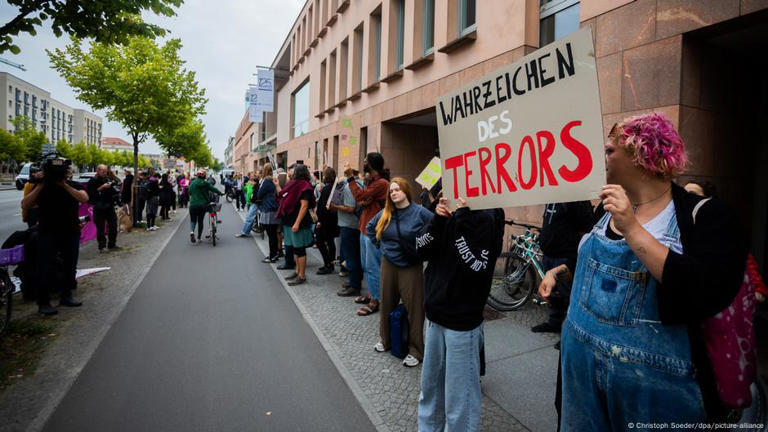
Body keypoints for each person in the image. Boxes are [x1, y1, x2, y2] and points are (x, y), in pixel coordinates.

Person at [539, 113, 747, 429]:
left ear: (641, 155)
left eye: (610, 150)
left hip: (654, 394)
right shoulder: (604, 210)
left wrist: (632, 229)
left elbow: (704, 292)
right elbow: (601, 267)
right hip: (581, 382)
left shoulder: (705, 216)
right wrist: (561, 273)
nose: (602, 158)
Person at [416, 197, 505, 432]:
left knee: (460, 400)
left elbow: (477, 269)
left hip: (462, 323)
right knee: (431, 391)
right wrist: (437, 220)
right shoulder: (444, 207)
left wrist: (462, 222)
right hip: (435, 315)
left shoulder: (488, 214)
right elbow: (419, 249)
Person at [367, 177, 434, 367]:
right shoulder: (386, 212)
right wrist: (382, 246)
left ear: (406, 191)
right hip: (388, 263)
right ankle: (386, 340)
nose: (393, 193)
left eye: (397, 190)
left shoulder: (419, 212)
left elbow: (437, 227)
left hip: (410, 266)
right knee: (386, 303)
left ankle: (416, 350)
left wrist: (426, 250)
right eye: (391, 191)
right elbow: (370, 228)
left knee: (414, 308)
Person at [22, 160, 88, 315]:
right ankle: (43, 302)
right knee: (44, 267)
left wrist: (64, 184)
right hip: (47, 232)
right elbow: (25, 204)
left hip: (70, 231)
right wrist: (40, 185)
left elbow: (83, 198)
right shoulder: (43, 187)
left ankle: (66, 295)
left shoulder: (73, 185)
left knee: (69, 266)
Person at [531, 200, 593, 346]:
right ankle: (554, 323)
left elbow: (585, 228)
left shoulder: (576, 199)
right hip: (549, 253)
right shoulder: (553, 195)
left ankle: (567, 334)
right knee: (552, 294)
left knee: (567, 296)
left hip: (565, 255)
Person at [346, 153, 390, 316]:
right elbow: (362, 200)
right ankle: (372, 293)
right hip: (365, 227)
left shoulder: (382, 183)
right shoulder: (374, 182)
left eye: (365, 161)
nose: (363, 162)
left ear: (371, 164)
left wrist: (351, 178)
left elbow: (359, 196)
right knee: (367, 265)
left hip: (373, 230)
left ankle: (376, 300)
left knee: (372, 266)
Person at [276, 164, 315, 286]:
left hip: (298, 222)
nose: (291, 172)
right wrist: (277, 185)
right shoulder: (295, 183)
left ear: (298, 172)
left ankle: (302, 275)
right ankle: (297, 271)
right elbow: (282, 194)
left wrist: (297, 223)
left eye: (293, 170)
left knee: (299, 249)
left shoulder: (305, 186)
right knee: (294, 249)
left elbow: (304, 206)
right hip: (289, 220)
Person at [332, 167, 365, 297]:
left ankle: (355, 286)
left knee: (351, 257)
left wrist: (335, 206)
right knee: (355, 256)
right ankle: (354, 281)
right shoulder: (360, 183)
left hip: (349, 225)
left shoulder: (349, 187)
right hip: (355, 225)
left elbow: (351, 208)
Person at [87, 164, 120, 251]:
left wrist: (113, 186)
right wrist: (101, 188)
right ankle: (102, 246)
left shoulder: (107, 179)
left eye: (106, 171)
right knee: (101, 228)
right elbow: (90, 195)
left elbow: (114, 188)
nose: (105, 173)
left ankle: (112, 244)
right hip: (99, 207)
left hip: (109, 206)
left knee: (113, 226)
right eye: (103, 171)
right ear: (98, 171)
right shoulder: (92, 181)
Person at [315, 167, 339, 275]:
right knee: (330, 241)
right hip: (333, 219)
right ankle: (331, 263)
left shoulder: (327, 189)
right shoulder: (335, 187)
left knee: (320, 241)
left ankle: (328, 263)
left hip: (325, 220)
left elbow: (322, 207)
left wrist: (319, 220)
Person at [188, 170, 223, 243]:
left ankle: (192, 233)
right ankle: (199, 238)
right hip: (203, 205)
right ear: (204, 176)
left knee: (193, 220)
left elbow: (189, 192)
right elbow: (214, 189)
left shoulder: (192, 183)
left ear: (197, 176)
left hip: (193, 205)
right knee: (200, 221)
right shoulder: (206, 183)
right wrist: (221, 193)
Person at [256, 164, 280, 262]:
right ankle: (275, 254)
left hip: (268, 209)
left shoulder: (266, 181)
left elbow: (259, 195)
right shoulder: (275, 180)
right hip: (275, 208)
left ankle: (272, 256)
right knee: (274, 234)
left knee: (271, 235)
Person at [235, 172, 261, 238]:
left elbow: (256, 195)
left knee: (249, 218)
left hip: (254, 203)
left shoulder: (257, 186)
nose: (249, 182)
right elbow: (245, 190)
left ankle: (244, 232)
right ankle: (248, 230)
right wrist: (242, 185)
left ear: (254, 182)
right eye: (249, 181)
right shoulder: (252, 185)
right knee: (250, 217)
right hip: (250, 202)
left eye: (251, 181)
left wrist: (252, 197)